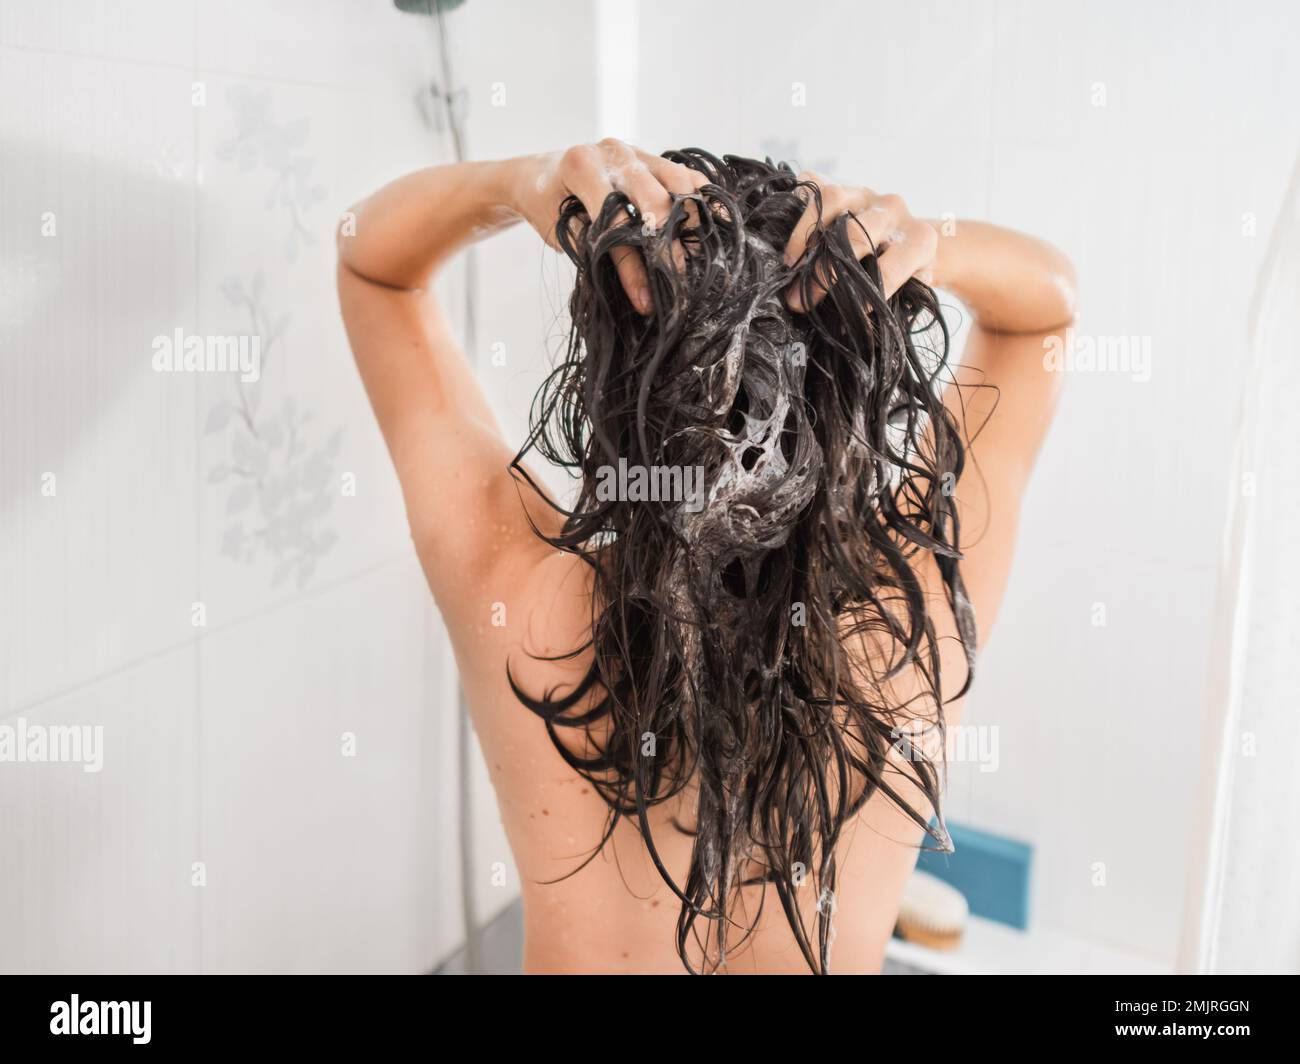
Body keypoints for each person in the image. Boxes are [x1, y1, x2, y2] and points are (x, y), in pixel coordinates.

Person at [337, 139, 1076, 974]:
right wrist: (928, 242)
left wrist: (521, 185)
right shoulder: (917, 619)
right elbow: (1044, 314)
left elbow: (374, 267)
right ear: (843, 401)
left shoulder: (518, 595)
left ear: (622, 393)